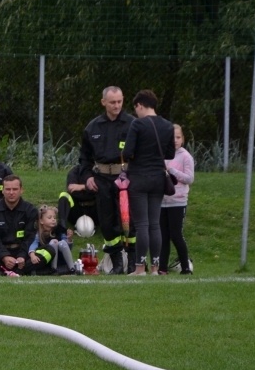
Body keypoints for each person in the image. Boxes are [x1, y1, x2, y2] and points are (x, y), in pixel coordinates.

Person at [79, 86, 137, 274]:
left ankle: (134, 263)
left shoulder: (133, 124)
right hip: (102, 179)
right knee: (107, 222)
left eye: (119, 101)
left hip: (127, 179)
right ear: (103, 102)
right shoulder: (92, 127)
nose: (116, 106)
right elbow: (84, 158)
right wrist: (88, 177)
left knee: (130, 220)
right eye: (112, 102)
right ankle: (117, 264)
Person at [121, 90, 175, 275]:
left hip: (139, 177)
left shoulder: (138, 124)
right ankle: (155, 267)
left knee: (142, 224)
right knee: (154, 224)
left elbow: (127, 152)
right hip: (158, 178)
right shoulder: (168, 126)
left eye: (136, 108)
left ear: (140, 105)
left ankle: (139, 267)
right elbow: (170, 154)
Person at [0, 175, 45, 276]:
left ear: (21, 190)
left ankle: (3, 271)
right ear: (2, 191)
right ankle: (20, 271)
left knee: (49, 251)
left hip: (23, 251)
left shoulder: (30, 210)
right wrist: (4, 256)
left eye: (15, 189)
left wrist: (22, 256)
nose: (11, 192)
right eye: (8, 189)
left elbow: (30, 237)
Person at [159, 124, 195, 275]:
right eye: (172, 137)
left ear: (183, 139)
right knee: (163, 236)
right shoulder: (161, 155)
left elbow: (189, 178)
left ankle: (185, 267)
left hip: (178, 202)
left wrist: (173, 171)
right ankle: (162, 268)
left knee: (176, 234)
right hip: (162, 202)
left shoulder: (185, 156)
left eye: (178, 137)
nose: (175, 140)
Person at [28, 205, 74, 274]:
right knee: (53, 242)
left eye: (54, 217)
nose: (53, 219)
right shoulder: (38, 234)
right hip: (47, 261)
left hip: (61, 260)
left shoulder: (59, 230)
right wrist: (32, 255)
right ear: (41, 221)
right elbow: (33, 245)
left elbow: (67, 248)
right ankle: (53, 269)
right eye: (49, 218)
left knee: (62, 243)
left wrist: (69, 239)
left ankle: (72, 268)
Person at [57, 164, 98, 233]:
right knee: (64, 195)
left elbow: (102, 187)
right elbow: (72, 190)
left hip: (95, 209)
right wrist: (92, 189)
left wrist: (83, 187)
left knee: (108, 196)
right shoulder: (74, 171)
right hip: (77, 208)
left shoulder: (100, 170)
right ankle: (62, 227)